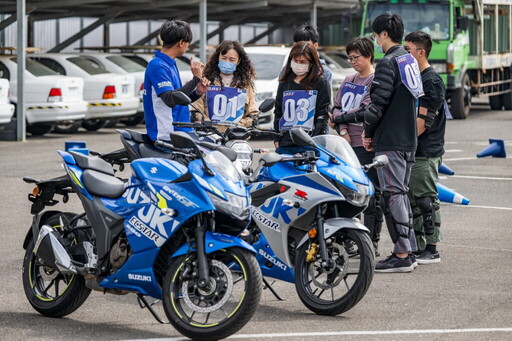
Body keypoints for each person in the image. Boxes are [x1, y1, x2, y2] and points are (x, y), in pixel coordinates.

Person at [361, 13, 420, 272]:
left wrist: (368, 131)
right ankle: (410, 249)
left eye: (375, 35)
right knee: (401, 193)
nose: (374, 39)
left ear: (384, 33)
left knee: (393, 194)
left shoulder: (388, 62)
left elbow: (378, 103)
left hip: (391, 139)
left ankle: (402, 253)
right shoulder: (409, 60)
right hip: (408, 138)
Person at [329, 37, 383, 256]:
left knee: (371, 196)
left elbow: (365, 110)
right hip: (346, 145)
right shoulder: (349, 79)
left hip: (366, 145)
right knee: (349, 194)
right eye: (349, 58)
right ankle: (353, 240)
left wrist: (341, 117)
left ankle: (371, 241)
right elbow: (334, 109)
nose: (352, 62)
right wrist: (342, 131)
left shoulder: (375, 80)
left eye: (356, 57)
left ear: (369, 55)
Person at [404, 31, 446, 264]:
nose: (404, 54)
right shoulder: (414, 78)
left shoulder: (431, 81)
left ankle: (431, 248)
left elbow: (423, 123)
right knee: (413, 200)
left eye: (408, 50)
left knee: (425, 200)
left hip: (426, 150)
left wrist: (402, 140)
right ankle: (420, 246)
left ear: (421, 53)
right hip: (414, 149)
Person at [143, 20, 209, 142]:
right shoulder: (157, 65)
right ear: (181, 43)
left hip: (181, 131)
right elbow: (169, 99)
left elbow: (179, 99)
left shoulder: (170, 64)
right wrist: (196, 79)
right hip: (167, 134)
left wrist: (198, 92)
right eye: (188, 43)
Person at [273, 41, 331, 154]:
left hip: (309, 143)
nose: (298, 64)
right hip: (286, 143)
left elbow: (322, 115)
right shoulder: (285, 82)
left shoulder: (320, 82)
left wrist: (315, 141)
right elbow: (278, 111)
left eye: (303, 62)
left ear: (311, 63)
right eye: (295, 61)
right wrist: (277, 137)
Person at [192, 40, 258, 127]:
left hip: (237, 136)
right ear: (218, 58)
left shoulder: (246, 84)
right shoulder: (206, 81)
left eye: (232, 59)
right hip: (210, 136)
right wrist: (210, 125)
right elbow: (196, 110)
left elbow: (252, 114)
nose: (227, 62)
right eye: (224, 58)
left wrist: (239, 125)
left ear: (238, 61)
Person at [292, 24, 333, 88]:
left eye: (306, 45)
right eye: (298, 45)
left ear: (315, 46)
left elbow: (326, 96)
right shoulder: (287, 70)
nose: (302, 48)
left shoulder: (324, 71)